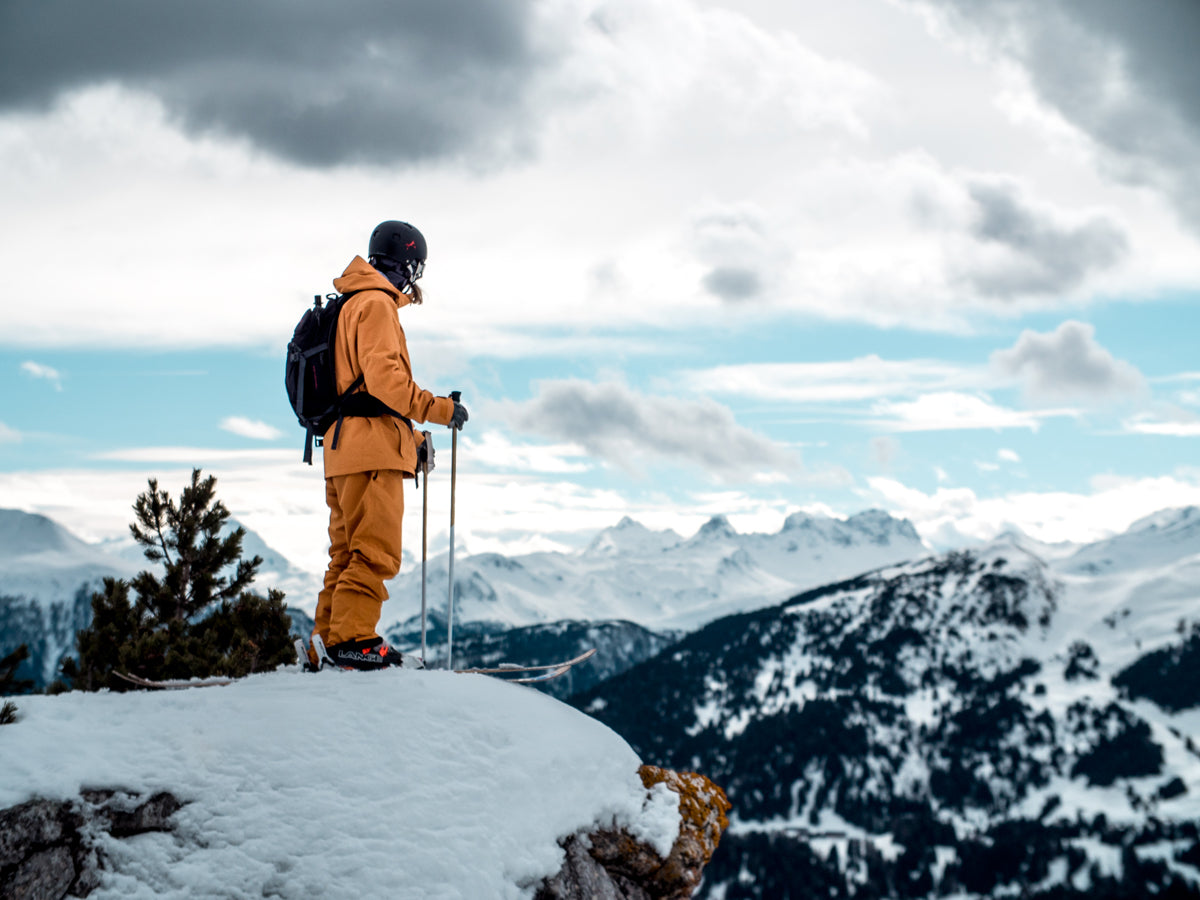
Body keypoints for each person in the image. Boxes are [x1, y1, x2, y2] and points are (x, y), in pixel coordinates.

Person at [310, 220, 468, 670]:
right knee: (375, 551)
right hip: (372, 453)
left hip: (341, 449)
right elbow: (385, 385)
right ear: (409, 265)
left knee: (345, 554)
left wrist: (410, 439)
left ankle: (324, 642)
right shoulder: (377, 305)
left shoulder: (348, 305)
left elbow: (358, 390)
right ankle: (353, 640)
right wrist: (439, 410)